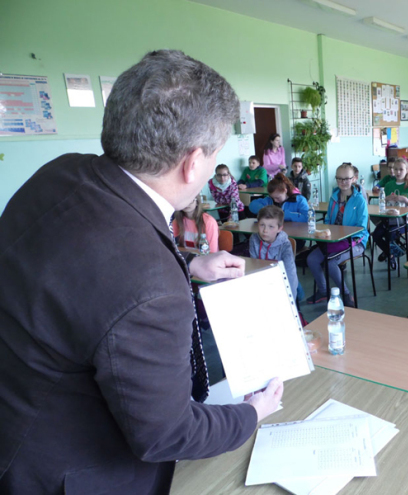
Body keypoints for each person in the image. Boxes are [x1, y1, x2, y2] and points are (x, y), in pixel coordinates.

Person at [0, 50, 283, 494]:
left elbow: (89, 262)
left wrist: (189, 263)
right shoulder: (151, 286)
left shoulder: (61, 172)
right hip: (73, 468)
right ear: (193, 162)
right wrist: (251, 414)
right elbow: (166, 434)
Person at [306, 164, 368, 307]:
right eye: (339, 178)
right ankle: (323, 291)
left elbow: (361, 228)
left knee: (331, 262)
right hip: (334, 241)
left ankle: (345, 293)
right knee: (312, 259)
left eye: (346, 179)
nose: (342, 182)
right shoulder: (334, 196)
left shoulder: (359, 200)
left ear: (354, 179)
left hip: (355, 241)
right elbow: (328, 220)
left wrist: (343, 235)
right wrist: (326, 232)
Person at [372, 157, 408, 269]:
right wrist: (385, 199)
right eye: (396, 169)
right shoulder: (389, 185)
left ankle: (390, 253)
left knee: (390, 234)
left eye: (401, 169)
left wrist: (406, 201)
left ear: (407, 170)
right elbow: (383, 205)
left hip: (406, 221)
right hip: (389, 219)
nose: (398, 172)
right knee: (376, 235)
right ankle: (390, 253)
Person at [249, 205, 298, 297]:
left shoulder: (285, 245)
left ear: (279, 228)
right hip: (261, 282)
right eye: (262, 225)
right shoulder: (254, 239)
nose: (265, 230)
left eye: (271, 226)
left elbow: (290, 274)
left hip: (279, 284)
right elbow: (253, 266)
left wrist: (291, 298)